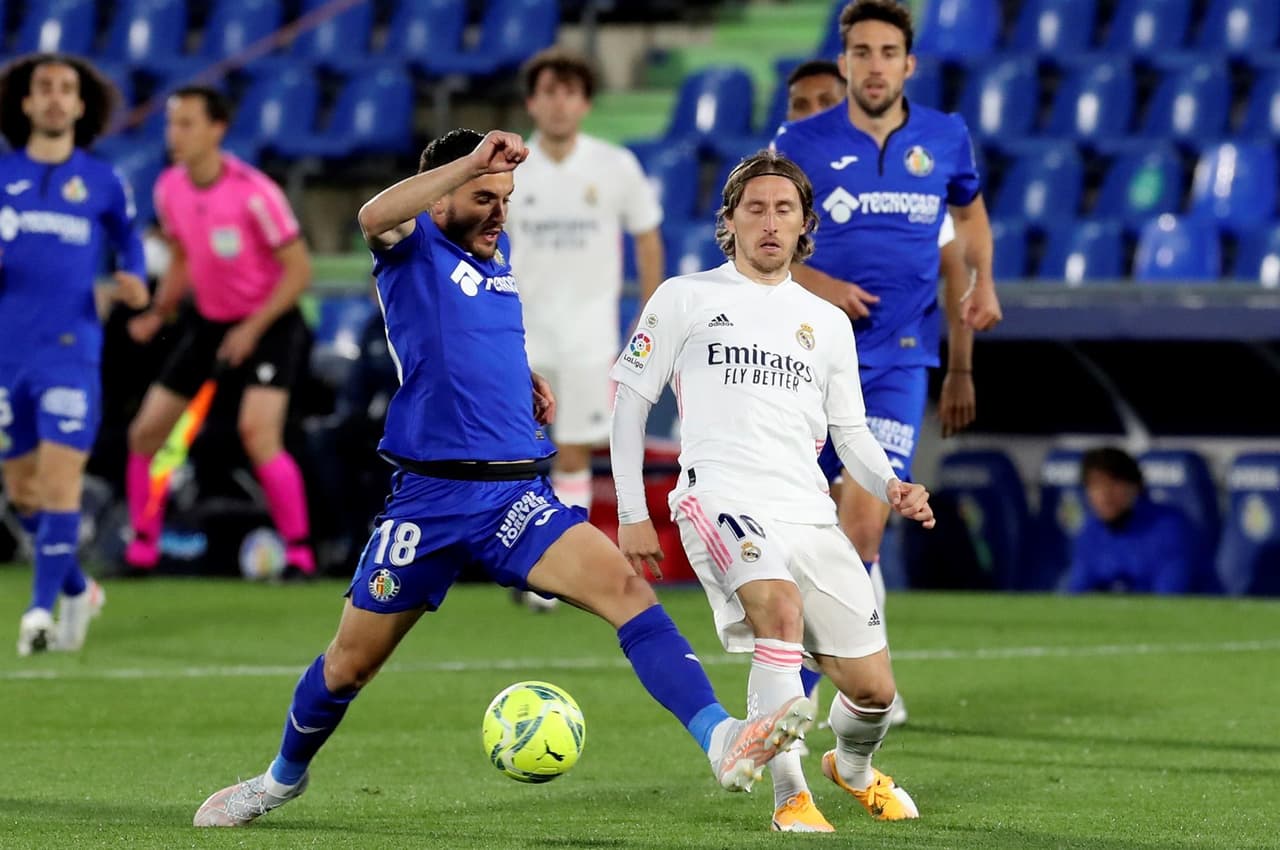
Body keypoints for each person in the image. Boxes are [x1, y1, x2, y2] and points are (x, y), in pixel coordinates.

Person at [191, 129, 815, 828]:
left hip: (514, 495)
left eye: (506, 199)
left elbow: (470, 334)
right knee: (348, 666)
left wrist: (522, 379)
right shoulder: (411, 247)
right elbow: (373, 217)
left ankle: (721, 737)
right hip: (428, 502)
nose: (498, 213)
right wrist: (467, 165)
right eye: (483, 197)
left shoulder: (497, 256)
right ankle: (278, 781)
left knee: (626, 589)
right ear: (441, 195)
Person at [612, 150, 935, 832]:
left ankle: (848, 767)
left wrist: (892, 484)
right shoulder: (685, 296)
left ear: (804, 225)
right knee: (778, 612)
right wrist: (635, 513)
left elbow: (851, 435)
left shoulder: (828, 322)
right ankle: (789, 795)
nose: (769, 221)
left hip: (808, 511)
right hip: (719, 494)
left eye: (783, 209)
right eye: (754, 208)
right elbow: (629, 405)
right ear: (728, 222)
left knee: (874, 692)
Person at [773, 0, 1003, 723]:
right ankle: (831, 681)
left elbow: (968, 217)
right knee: (801, 531)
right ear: (844, 63)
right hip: (807, 358)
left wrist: (984, 282)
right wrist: (823, 286)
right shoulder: (798, 140)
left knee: (863, 531)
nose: (875, 65)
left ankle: (805, 706)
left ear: (909, 64)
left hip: (899, 361)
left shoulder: (944, 138)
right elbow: (759, 237)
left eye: (887, 52)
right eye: (861, 52)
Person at [123, 85, 315, 578]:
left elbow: (299, 272)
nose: (175, 134)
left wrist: (252, 329)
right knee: (146, 433)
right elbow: (184, 257)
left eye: (187, 123)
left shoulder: (255, 192)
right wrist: (160, 310)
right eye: (171, 123)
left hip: (271, 321)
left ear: (217, 129)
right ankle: (142, 549)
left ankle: (299, 554)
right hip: (209, 321)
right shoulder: (169, 188)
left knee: (258, 433)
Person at [0, 53, 149, 656]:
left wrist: (135, 280)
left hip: (72, 351)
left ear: (82, 105)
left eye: (67, 89)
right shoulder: (2, 175)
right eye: (45, 89)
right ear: (27, 103)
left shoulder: (104, 181)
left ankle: (39, 613)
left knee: (60, 485)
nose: (57, 98)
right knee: (23, 494)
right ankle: (79, 586)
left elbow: (129, 244)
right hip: (9, 354)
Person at [508, 48, 664, 519]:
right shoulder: (509, 168)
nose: (559, 104)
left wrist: (648, 317)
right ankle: (523, 555)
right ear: (532, 102)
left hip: (589, 337)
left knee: (574, 451)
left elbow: (648, 238)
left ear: (586, 104)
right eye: (549, 93)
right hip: (520, 334)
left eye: (570, 94)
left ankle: (557, 574)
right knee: (516, 452)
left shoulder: (615, 165)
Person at [1065, 447, 1195, 594]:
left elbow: (1170, 596)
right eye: (1096, 485)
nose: (1105, 494)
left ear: (1135, 487)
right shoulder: (1090, 529)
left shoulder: (1170, 527)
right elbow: (1074, 593)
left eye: (1114, 483)